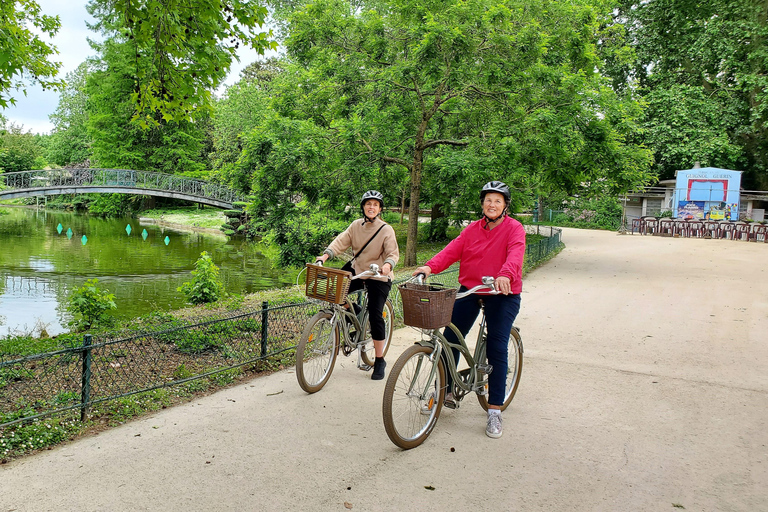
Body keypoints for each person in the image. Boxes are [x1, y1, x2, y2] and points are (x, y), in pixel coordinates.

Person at [414, 181, 525, 439]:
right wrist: (429, 267)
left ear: (505, 205)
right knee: (449, 338)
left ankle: (494, 409)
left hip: (503, 292)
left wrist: (505, 275)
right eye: (488, 200)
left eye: (498, 200)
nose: (492, 204)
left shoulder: (514, 229)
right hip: (472, 289)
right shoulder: (472, 230)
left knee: (497, 347)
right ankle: (446, 390)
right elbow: (452, 251)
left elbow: (515, 254)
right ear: (482, 203)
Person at [316, 190, 400, 380]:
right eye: (368, 204)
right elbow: (340, 242)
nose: (372, 207)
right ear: (363, 207)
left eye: (375, 205)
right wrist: (325, 255)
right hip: (358, 268)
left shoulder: (386, 229)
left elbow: (392, 253)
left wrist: (387, 265)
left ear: (380, 209)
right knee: (334, 291)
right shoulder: (355, 226)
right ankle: (354, 314)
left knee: (376, 314)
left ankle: (379, 360)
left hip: (378, 274)